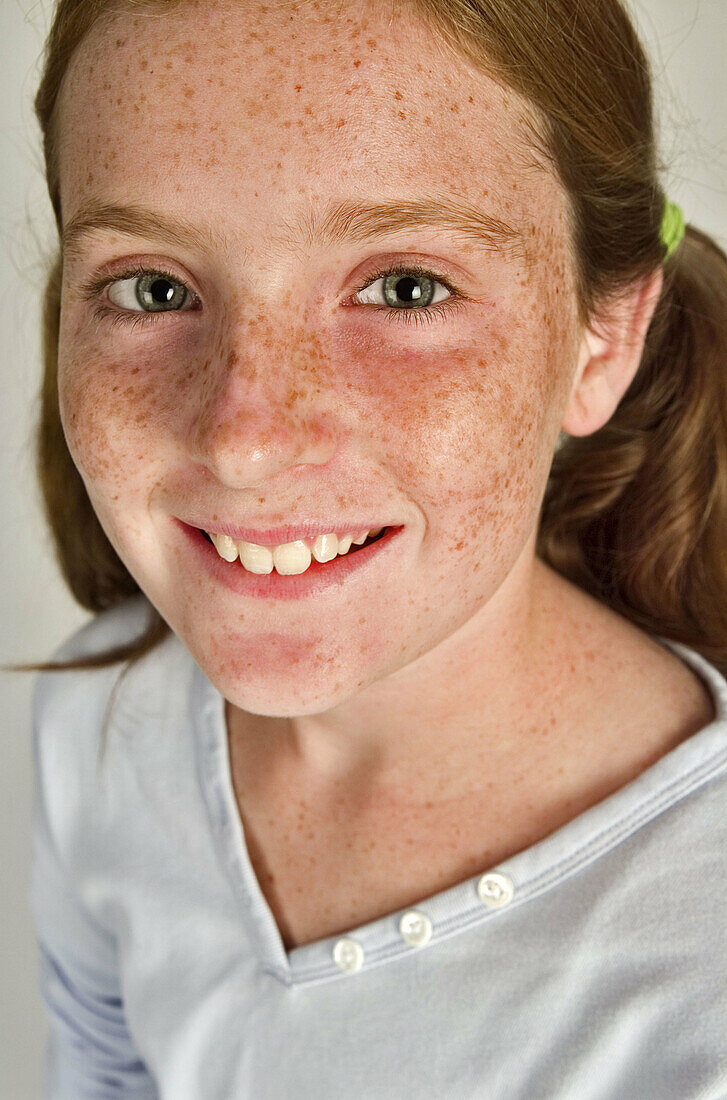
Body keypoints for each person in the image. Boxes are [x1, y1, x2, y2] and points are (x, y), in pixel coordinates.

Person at [11, 0, 727, 1094]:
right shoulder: (100, 725)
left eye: (405, 287)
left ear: (604, 336)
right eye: (155, 287)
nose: (244, 439)